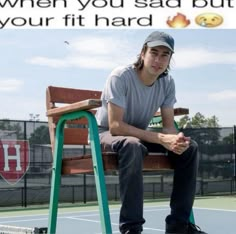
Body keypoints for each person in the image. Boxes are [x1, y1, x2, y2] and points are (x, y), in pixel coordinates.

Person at [95, 31, 207, 234]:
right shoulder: (120, 76)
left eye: (165, 55)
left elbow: (168, 127)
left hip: (137, 136)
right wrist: (161, 138)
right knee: (132, 145)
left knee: (190, 149)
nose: (158, 59)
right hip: (104, 135)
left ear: (170, 59)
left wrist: (176, 139)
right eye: (154, 52)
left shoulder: (167, 83)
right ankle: (131, 229)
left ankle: (179, 226)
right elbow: (116, 126)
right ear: (142, 53)